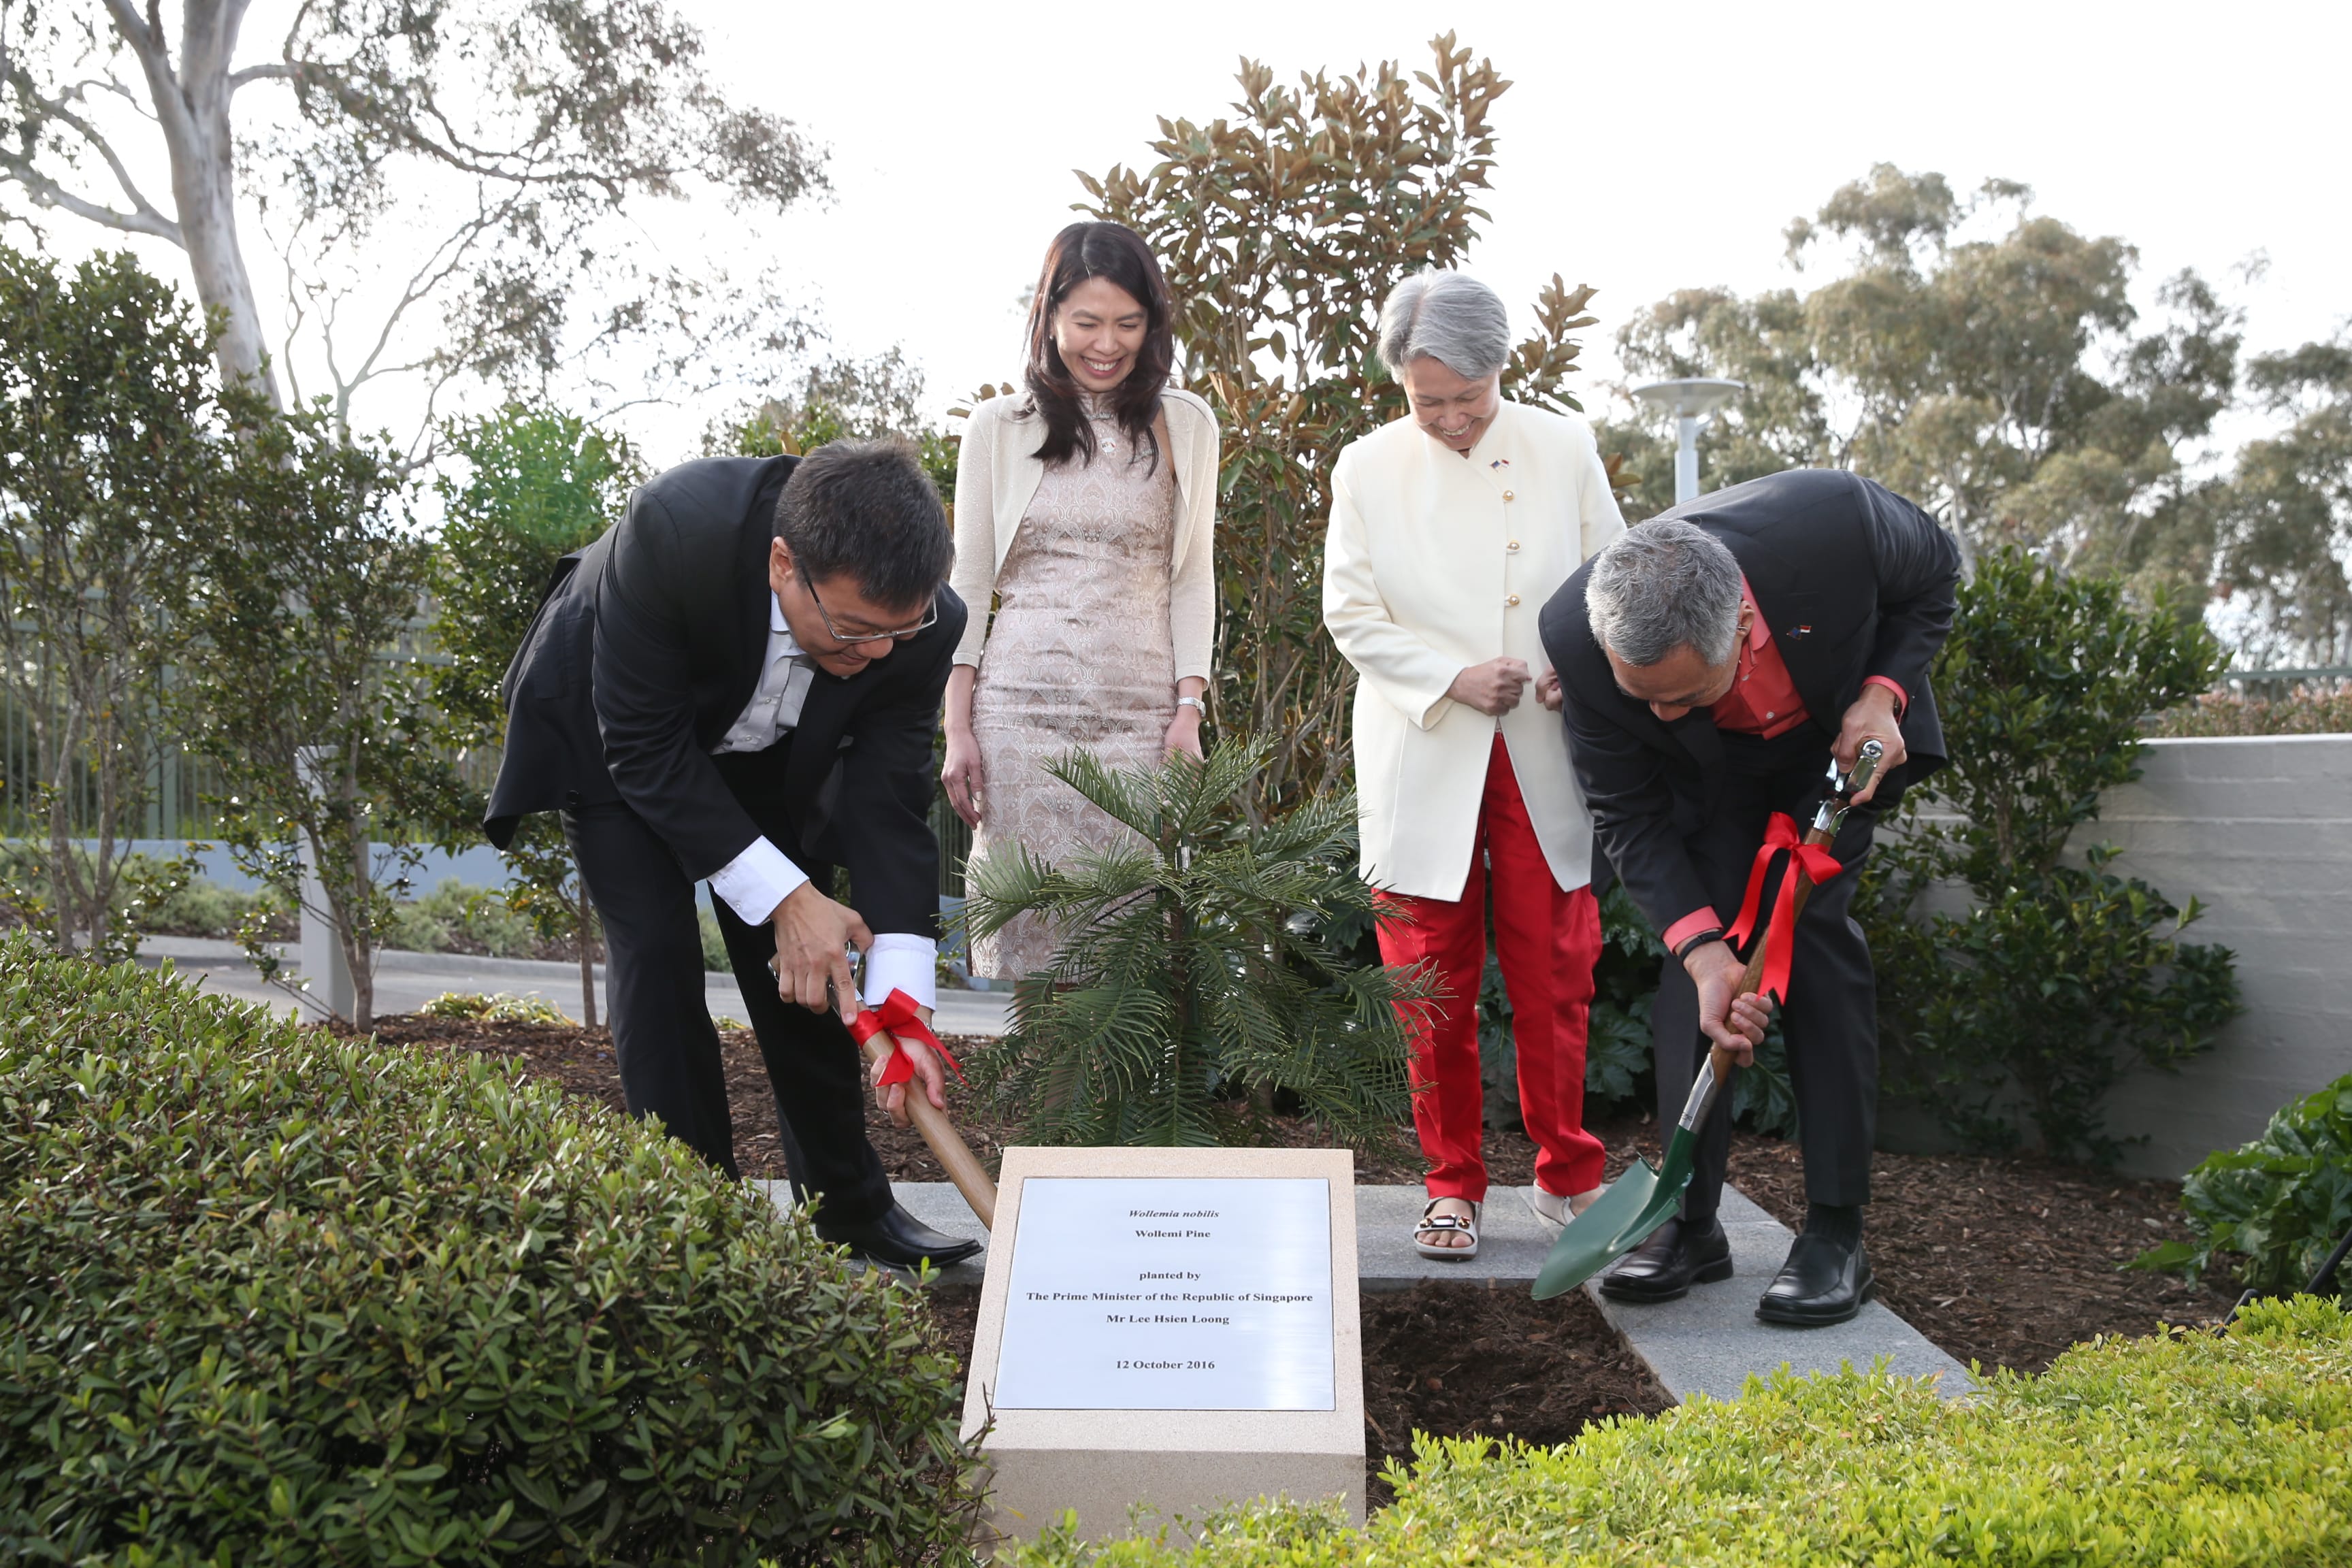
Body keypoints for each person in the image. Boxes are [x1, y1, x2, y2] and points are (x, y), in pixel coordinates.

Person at [485, 438, 981, 1271]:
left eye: (900, 632)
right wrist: (787, 901)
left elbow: (887, 802)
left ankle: (851, 1213)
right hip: (618, 740)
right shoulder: (675, 530)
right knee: (658, 954)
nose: (878, 655)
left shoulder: (922, 626)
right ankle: (695, 1218)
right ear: (783, 564)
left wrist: (902, 1001)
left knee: (812, 975)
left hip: (763, 759)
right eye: (855, 630)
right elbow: (643, 750)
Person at [1539, 470, 1961, 1325]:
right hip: (1712, 776)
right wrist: (1702, 954)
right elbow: (1626, 810)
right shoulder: (1576, 633)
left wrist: (1883, 695)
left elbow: (1936, 576)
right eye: (1640, 696)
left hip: (1834, 744)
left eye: (1683, 691)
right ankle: (1691, 1223)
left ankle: (1837, 1233)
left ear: (1738, 621)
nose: (1657, 713)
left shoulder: (1834, 526)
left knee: (1817, 946)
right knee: (1691, 981)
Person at [1322, 270, 1625, 1260]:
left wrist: (1573, 670)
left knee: (1557, 970)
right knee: (1428, 983)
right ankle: (1451, 1183)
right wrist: (1452, 675)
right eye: (1428, 402)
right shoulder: (1366, 467)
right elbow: (1351, 615)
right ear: (1399, 387)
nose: (1451, 419)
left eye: (1469, 397)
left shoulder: (1564, 443)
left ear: (1503, 370)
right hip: (1426, 747)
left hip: (1541, 748)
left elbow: (1612, 582)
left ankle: (1569, 1175)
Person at [942, 221, 1220, 979]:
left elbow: (1193, 574)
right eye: (1087, 323)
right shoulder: (998, 428)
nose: (1107, 344)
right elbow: (967, 582)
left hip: (1140, 722)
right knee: (1039, 971)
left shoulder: (1187, 424)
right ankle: (1047, 1107)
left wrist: (1187, 709)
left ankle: (1114, 1107)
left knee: (1130, 969)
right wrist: (957, 726)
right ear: (1050, 317)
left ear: (1153, 324)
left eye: (1128, 324)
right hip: (1020, 719)